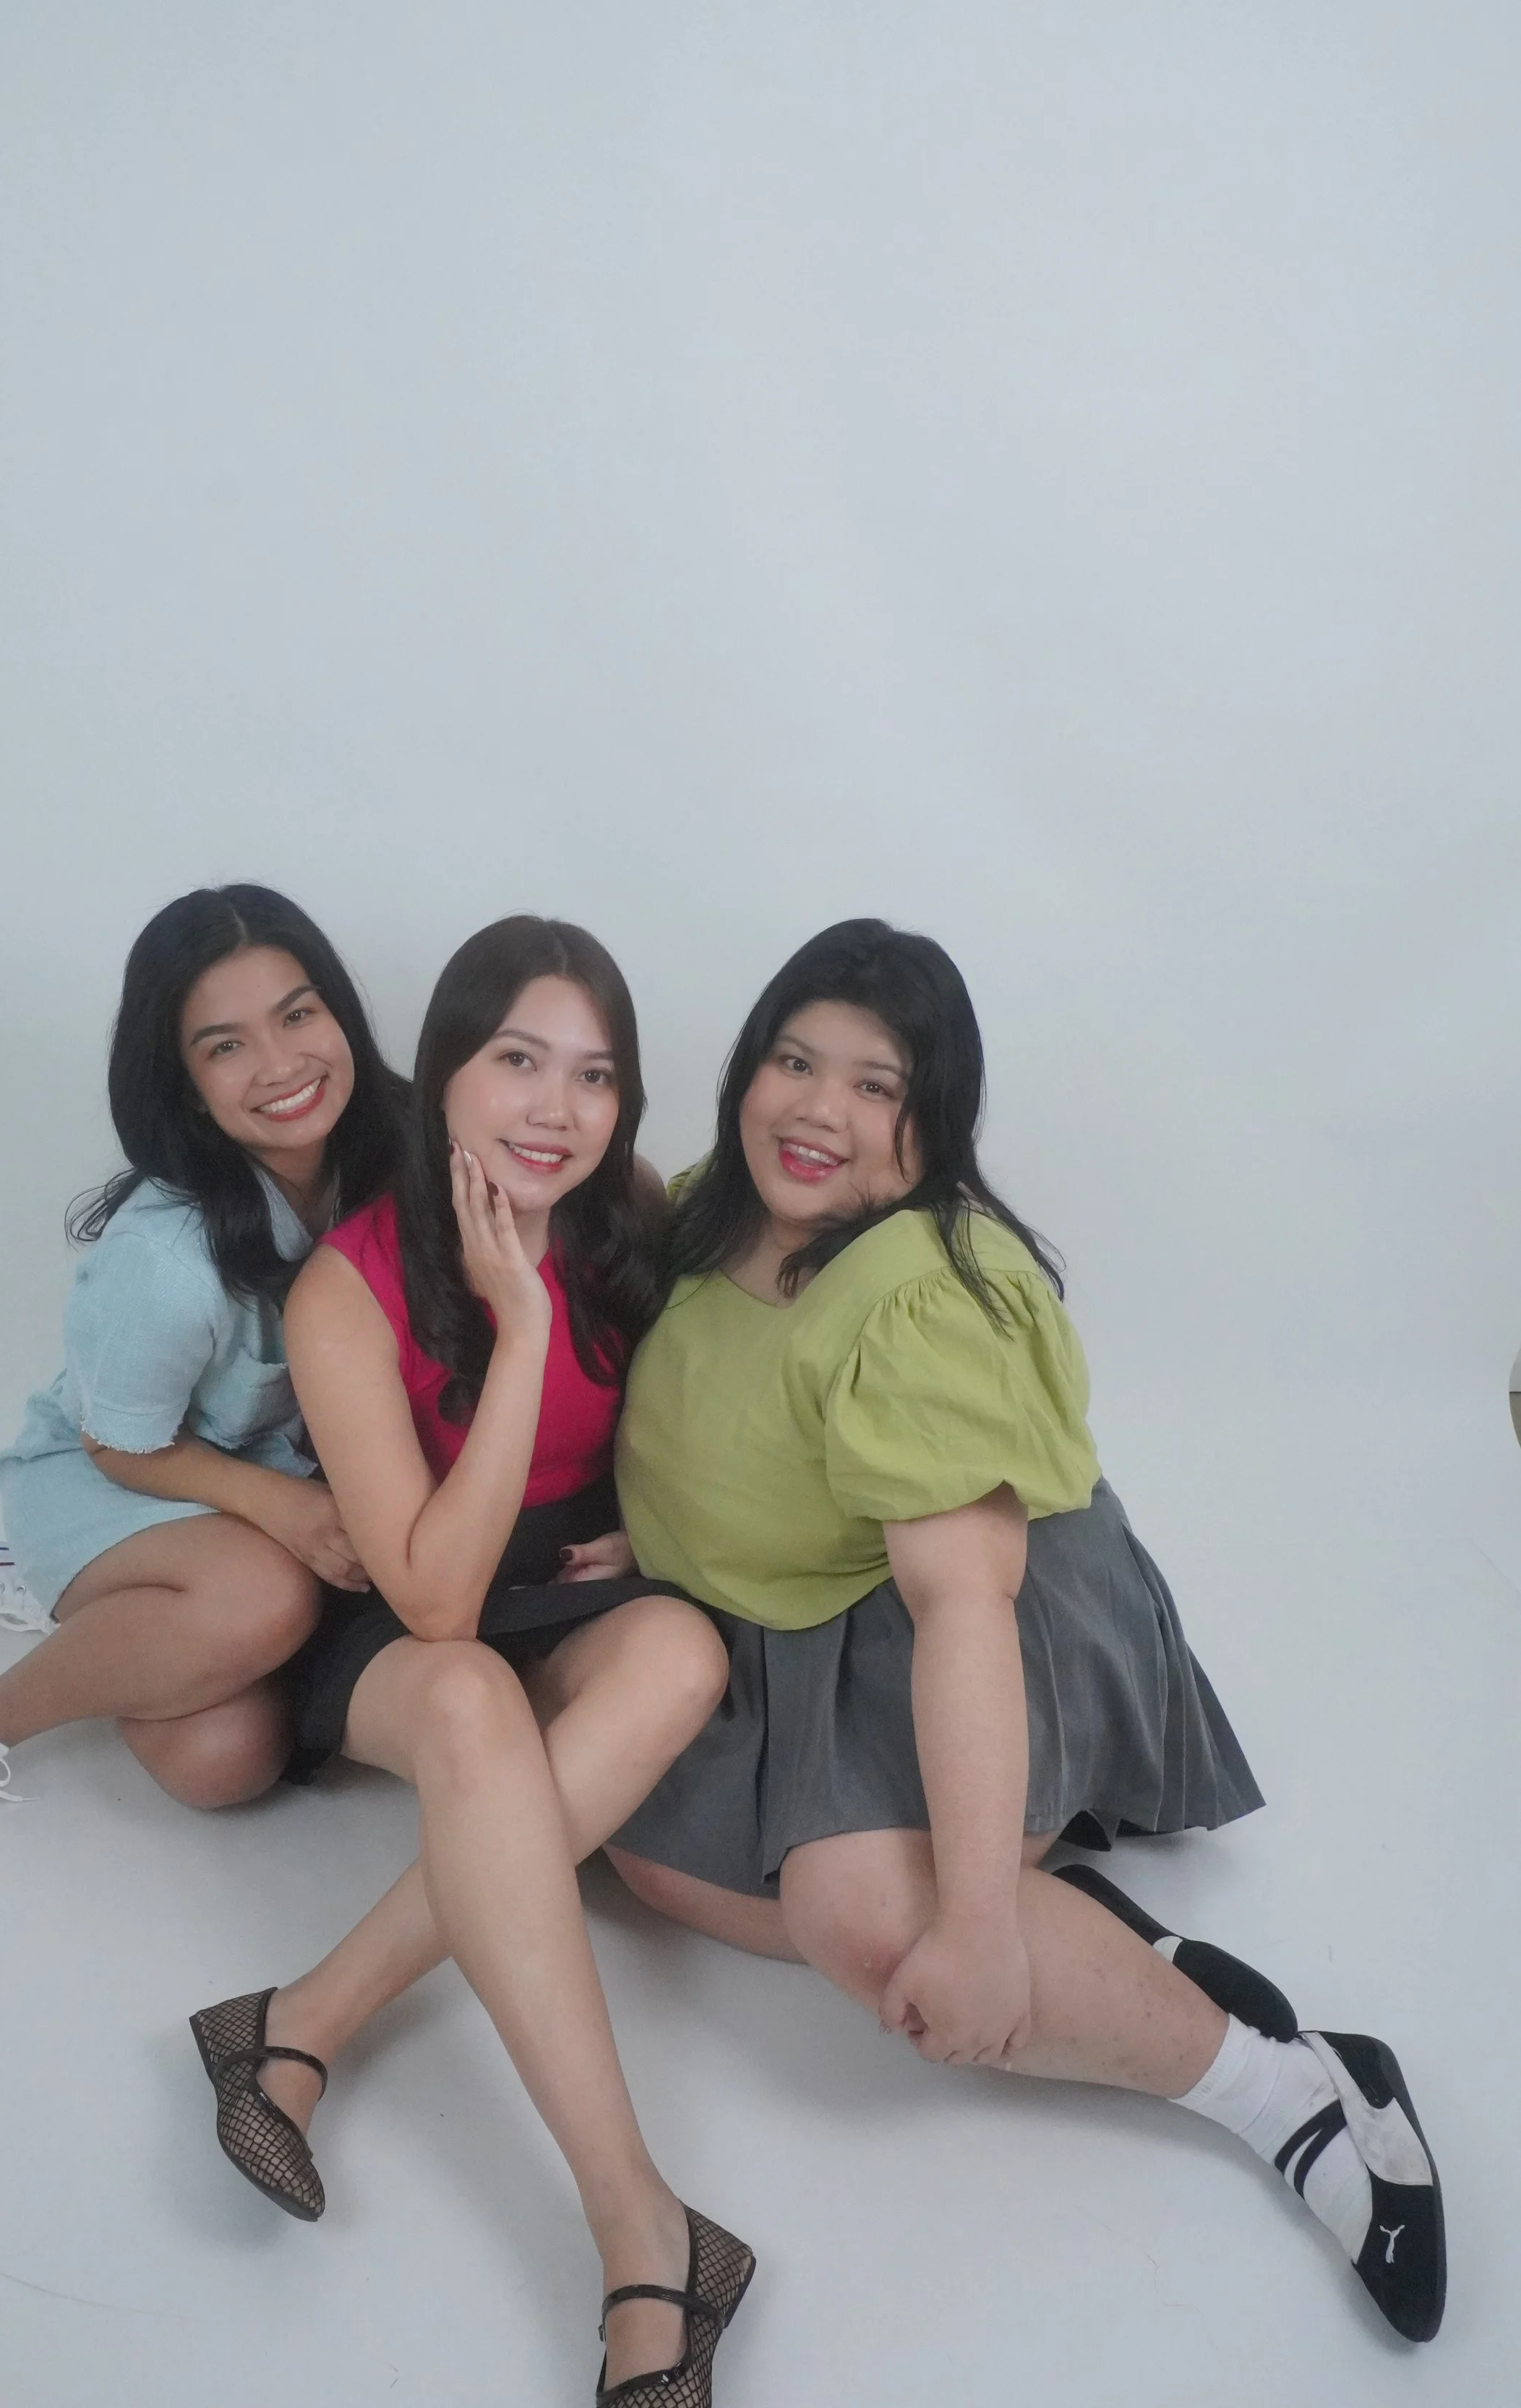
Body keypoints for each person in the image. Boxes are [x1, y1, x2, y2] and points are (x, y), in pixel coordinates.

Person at [604, 918, 1444, 2346]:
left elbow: (960, 1605)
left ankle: (1293, 2090)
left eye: (875, 1084)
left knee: (873, 1925)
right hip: (789, 1608)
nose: (817, 1108)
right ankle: (1095, 1932)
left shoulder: (917, 1298)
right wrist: (662, 1527)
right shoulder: (709, 1211)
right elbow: (723, 1410)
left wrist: (982, 1928)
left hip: (971, 1613)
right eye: (794, 1061)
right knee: (645, 1859)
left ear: (931, 1121)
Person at [188, 916, 755, 2406]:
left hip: (567, 1585)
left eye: (594, 1075)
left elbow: (705, 1407)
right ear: (444, 1070)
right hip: (409, 1609)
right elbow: (434, 1598)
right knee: (466, 1695)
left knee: (681, 1653)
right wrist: (520, 1329)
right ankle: (640, 2227)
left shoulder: (628, 1209)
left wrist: (655, 1528)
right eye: (517, 1061)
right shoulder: (347, 1286)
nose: (555, 1110)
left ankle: (303, 2018)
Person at [0, 884, 406, 1887]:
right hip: (112, 1473)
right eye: (226, 1045)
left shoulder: (393, 1154)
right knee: (265, 1597)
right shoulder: (168, 1258)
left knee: (224, 1761)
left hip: (241, 1489)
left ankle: (104, 1612)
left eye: (297, 1014)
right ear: (187, 1085)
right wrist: (285, 1509)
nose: (281, 1063)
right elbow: (116, 1442)